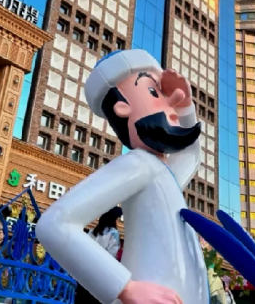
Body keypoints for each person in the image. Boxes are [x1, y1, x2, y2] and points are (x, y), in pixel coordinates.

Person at [37, 49, 206, 304]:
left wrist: (185, 108)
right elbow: (54, 224)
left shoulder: (162, 173)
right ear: (122, 107)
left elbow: (191, 154)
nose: (173, 100)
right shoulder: (139, 164)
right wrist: (125, 287)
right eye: (154, 92)